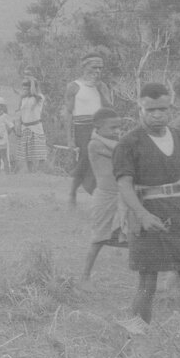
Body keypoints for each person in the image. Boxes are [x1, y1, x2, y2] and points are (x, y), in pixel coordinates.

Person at [111, 83, 180, 335]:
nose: (157, 114)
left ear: (170, 107)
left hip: (179, 212)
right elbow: (124, 184)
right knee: (147, 282)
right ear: (140, 108)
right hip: (145, 216)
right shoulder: (129, 143)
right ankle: (137, 334)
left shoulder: (179, 136)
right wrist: (142, 214)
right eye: (150, 109)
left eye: (162, 109)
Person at [79, 108, 128, 287]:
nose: (117, 131)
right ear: (97, 126)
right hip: (105, 196)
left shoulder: (116, 142)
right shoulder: (95, 144)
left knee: (131, 232)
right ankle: (85, 276)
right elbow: (121, 152)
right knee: (98, 238)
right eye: (113, 127)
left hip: (123, 194)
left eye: (119, 127)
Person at [65, 53, 113, 207]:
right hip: (82, 129)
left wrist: (100, 89)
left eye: (100, 68)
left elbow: (109, 108)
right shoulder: (74, 86)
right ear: (84, 67)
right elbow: (68, 113)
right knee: (87, 158)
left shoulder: (102, 86)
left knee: (102, 159)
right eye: (94, 67)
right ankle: (75, 192)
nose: (98, 71)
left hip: (100, 128)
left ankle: (96, 193)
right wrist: (69, 138)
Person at [14, 76, 47, 174]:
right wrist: (18, 127)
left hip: (35, 127)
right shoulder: (24, 99)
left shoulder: (39, 98)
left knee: (40, 152)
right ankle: (31, 172)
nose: (24, 90)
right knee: (28, 154)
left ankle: (40, 171)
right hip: (25, 127)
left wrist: (32, 80)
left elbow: (34, 92)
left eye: (26, 88)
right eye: (23, 88)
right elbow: (19, 112)